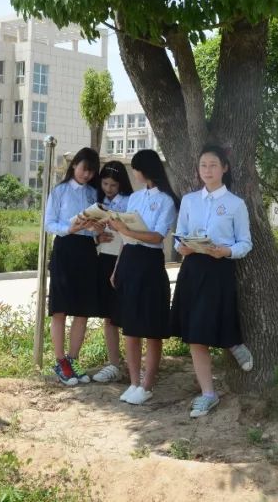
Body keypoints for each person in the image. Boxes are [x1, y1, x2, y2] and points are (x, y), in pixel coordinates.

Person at [171, 144, 255, 418]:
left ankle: (234, 343)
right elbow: (179, 234)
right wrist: (181, 246)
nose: (207, 170)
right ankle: (208, 394)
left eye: (213, 165)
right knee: (196, 333)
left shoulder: (235, 204)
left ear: (224, 168)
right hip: (193, 267)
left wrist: (226, 251)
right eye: (203, 165)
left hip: (219, 268)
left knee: (217, 316)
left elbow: (245, 243)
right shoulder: (189, 200)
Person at [106, 150, 179, 405]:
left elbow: (158, 236)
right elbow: (125, 239)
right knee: (130, 327)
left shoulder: (166, 201)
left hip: (149, 263)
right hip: (129, 261)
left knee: (150, 327)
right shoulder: (134, 198)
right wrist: (116, 268)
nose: (134, 175)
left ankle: (147, 385)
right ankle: (134, 382)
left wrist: (126, 230)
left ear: (144, 170)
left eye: (136, 169)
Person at [43, 147, 101, 386]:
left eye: (91, 171)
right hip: (65, 249)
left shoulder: (93, 193)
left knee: (82, 309)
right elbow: (49, 224)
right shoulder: (60, 191)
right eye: (84, 169)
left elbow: (97, 225)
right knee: (60, 308)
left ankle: (73, 359)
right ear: (74, 165)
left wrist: (97, 230)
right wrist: (70, 228)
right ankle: (60, 361)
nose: (86, 175)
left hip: (87, 251)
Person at [90, 161, 133, 384]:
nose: (108, 188)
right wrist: (97, 234)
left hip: (123, 260)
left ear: (121, 184)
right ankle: (114, 363)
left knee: (127, 316)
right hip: (103, 258)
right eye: (105, 183)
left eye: (113, 185)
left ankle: (135, 366)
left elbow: (130, 236)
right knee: (108, 316)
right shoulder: (99, 202)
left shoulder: (128, 202)